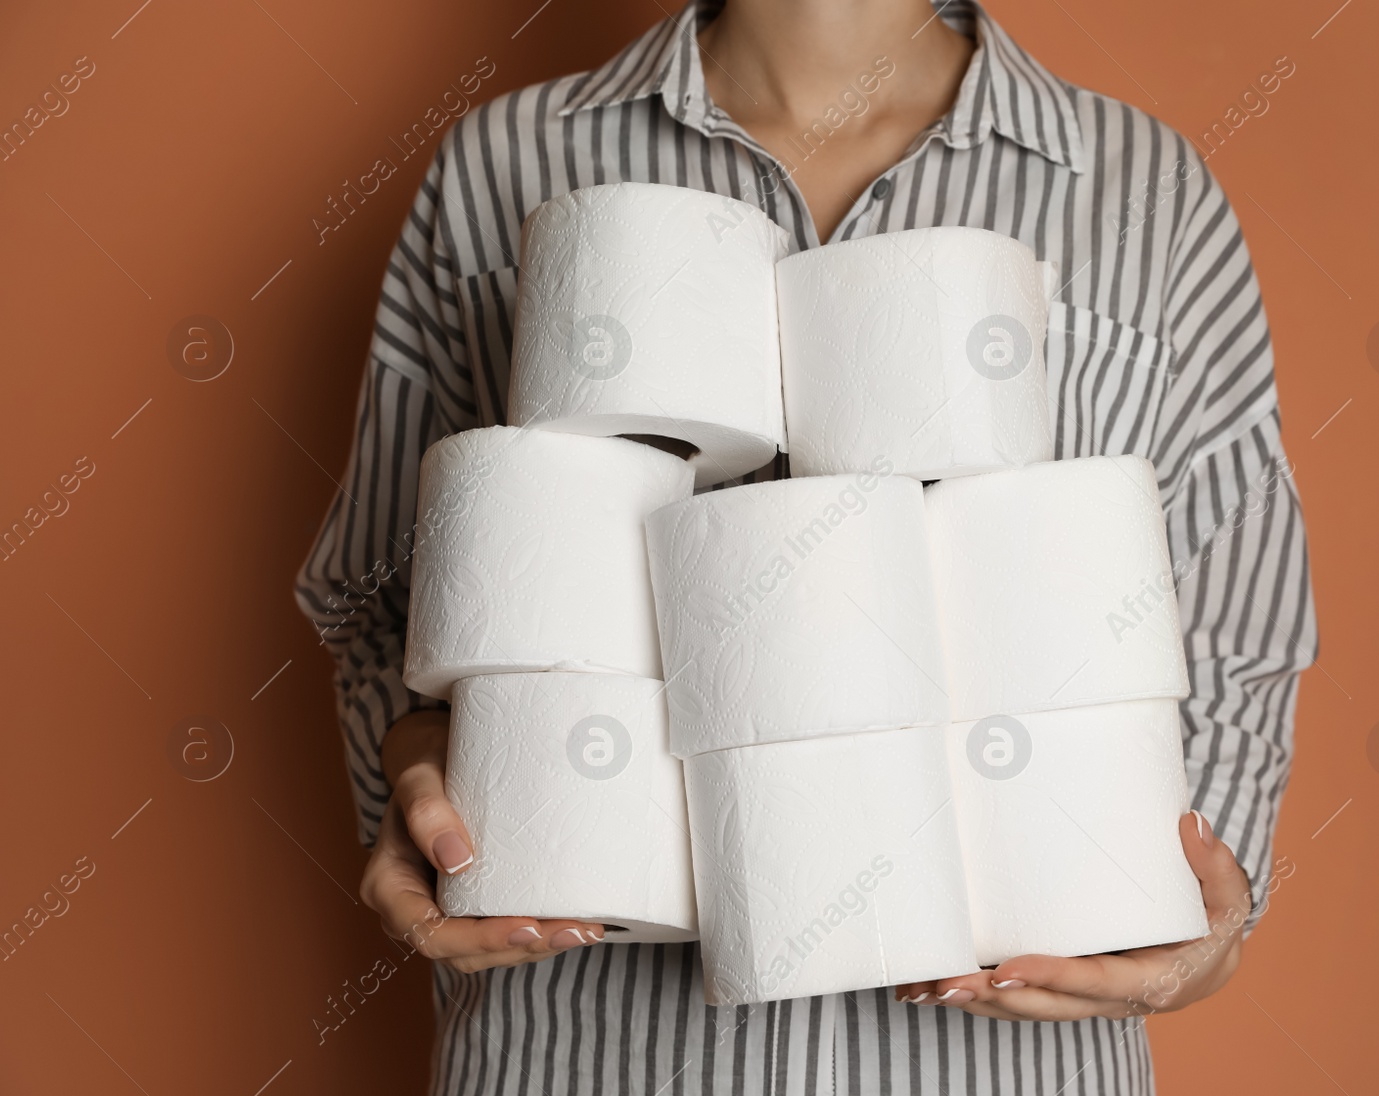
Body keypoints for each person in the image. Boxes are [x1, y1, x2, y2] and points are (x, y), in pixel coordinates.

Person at [294, 0, 1317, 1091]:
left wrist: (1204, 914)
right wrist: (409, 781)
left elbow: (1228, 615)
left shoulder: (1142, 191)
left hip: (1004, 1059)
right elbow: (391, 592)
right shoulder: (504, 164)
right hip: (590, 1047)